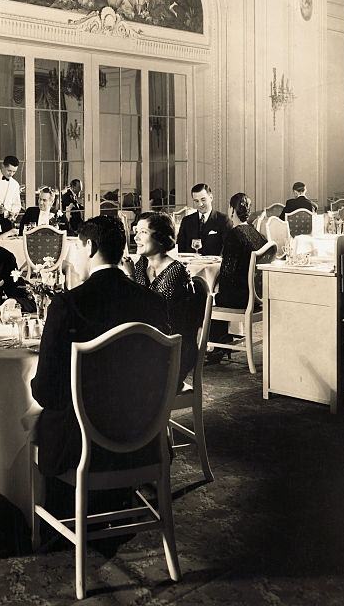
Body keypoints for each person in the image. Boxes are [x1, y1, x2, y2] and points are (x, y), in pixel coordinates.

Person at [31, 214, 170, 478]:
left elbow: (46, 392)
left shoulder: (67, 305)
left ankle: (38, 508)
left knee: (24, 424)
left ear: (90, 248)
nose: (74, 259)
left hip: (81, 447)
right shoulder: (153, 302)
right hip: (141, 439)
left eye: (76, 249)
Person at [127, 211, 199, 385]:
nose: (136, 237)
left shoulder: (175, 271)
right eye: (136, 231)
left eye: (143, 232)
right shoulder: (142, 264)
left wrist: (128, 277)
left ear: (160, 237)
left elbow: (151, 310)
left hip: (173, 352)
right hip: (151, 344)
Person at [207, 192, 267, 357]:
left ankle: (218, 346)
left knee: (210, 297)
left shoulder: (234, 235)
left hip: (242, 299)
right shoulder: (255, 233)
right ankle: (223, 342)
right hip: (258, 297)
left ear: (232, 210)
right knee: (221, 294)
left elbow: (227, 273)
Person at [176, 182, 231, 256]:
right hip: (191, 266)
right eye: (196, 201)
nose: (200, 204)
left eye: (203, 200)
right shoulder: (186, 221)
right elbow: (180, 248)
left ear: (211, 198)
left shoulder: (223, 220)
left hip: (214, 266)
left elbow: (228, 249)